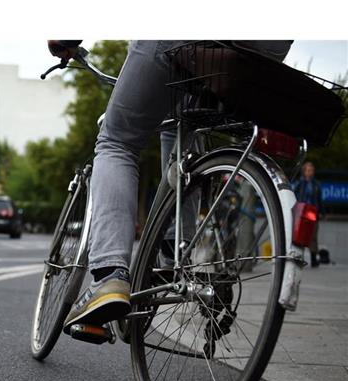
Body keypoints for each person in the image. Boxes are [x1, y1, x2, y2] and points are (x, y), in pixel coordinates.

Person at [47, 40, 293, 331]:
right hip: (267, 44)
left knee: (118, 140)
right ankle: (173, 251)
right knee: (179, 123)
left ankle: (109, 275)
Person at [291, 160, 323, 267]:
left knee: (313, 236)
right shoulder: (300, 183)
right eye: (308, 170)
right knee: (300, 236)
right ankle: (299, 258)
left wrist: (321, 212)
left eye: (311, 170)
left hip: (313, 212)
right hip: (302, 213)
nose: (310, 172)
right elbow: (296, 196)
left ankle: (314, 259)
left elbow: (319, 199)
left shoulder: (316, 185)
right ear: (304, 171)